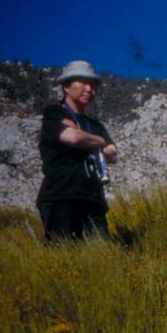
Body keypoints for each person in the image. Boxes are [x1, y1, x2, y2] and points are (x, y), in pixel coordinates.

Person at [36, 60, 118, 240]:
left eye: (93, 85)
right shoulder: (54, 113)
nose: (89, 89)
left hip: (93, 199)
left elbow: (112, 153)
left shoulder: (95, 124)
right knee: (62, 251)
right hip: (61, 196)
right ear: (66, 86)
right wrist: (99, 141)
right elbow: (72, 137)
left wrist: (88, 138)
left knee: (102, 253)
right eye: (83, 82)